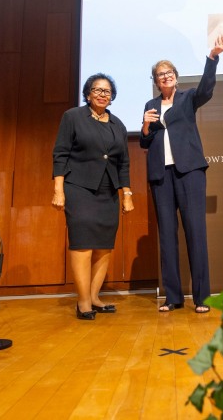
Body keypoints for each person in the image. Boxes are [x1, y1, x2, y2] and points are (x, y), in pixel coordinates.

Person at [141, 35, 223, 313]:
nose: (165, 77)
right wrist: (144, 127)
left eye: (169, 73)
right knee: (167, 236)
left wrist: (212, 57)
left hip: (189, 171)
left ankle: (202, 297)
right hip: (160, 175)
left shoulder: (189, 97)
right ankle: (173, 297)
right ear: (156, 81)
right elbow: (146, 142)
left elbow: (206, 89)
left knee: (195, 232)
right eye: (160, 75)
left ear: (176, 78)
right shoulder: (150, 105)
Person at [52, 73, 134, 320]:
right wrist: (58, 190)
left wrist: (126, 194)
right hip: (78, 187)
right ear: (88, 94)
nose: (102, 94)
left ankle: (95, 296)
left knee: (104, 246)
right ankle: (83, 301)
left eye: (107, 91)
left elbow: (124, 163)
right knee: (82, 243)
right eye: (97, 90)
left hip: (108, 190)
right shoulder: (73, 117)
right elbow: (60, 154)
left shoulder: (117, 124)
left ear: (112, 97)